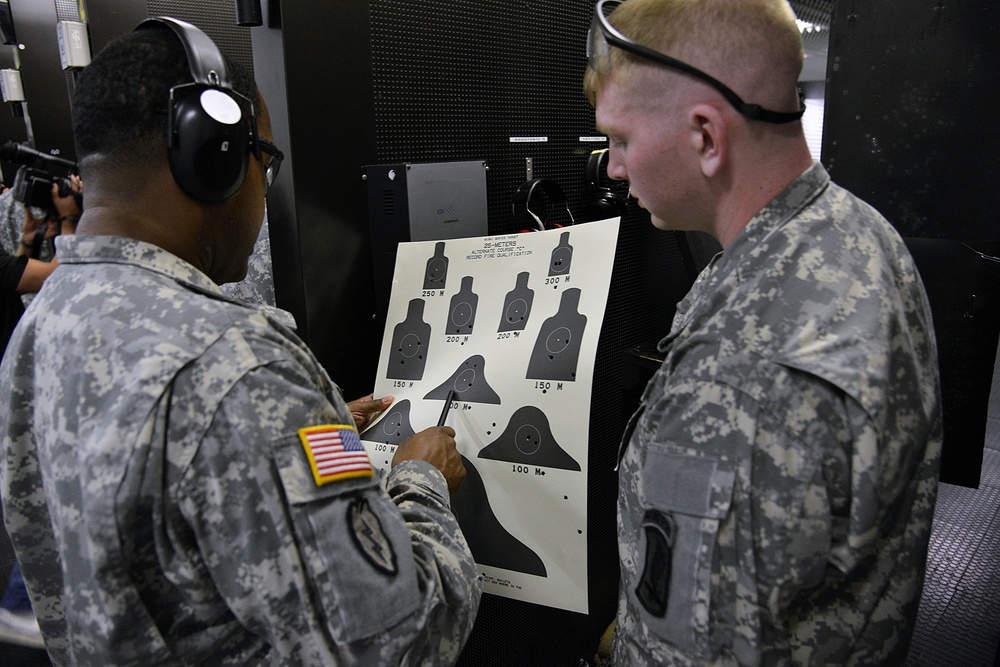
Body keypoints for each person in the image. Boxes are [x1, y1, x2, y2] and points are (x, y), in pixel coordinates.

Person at [0, 18, 480, 666]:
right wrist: (419, 477)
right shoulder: (240, 365)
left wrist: (319, 421)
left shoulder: (43, 323)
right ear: (214, 156)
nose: (264, 185)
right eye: (266, 159)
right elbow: (406, 638)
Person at [583, 0, 942, 664]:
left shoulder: (742, 377)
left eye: (621, 139)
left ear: (706, 136)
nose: (613, 168)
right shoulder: (859, 234)